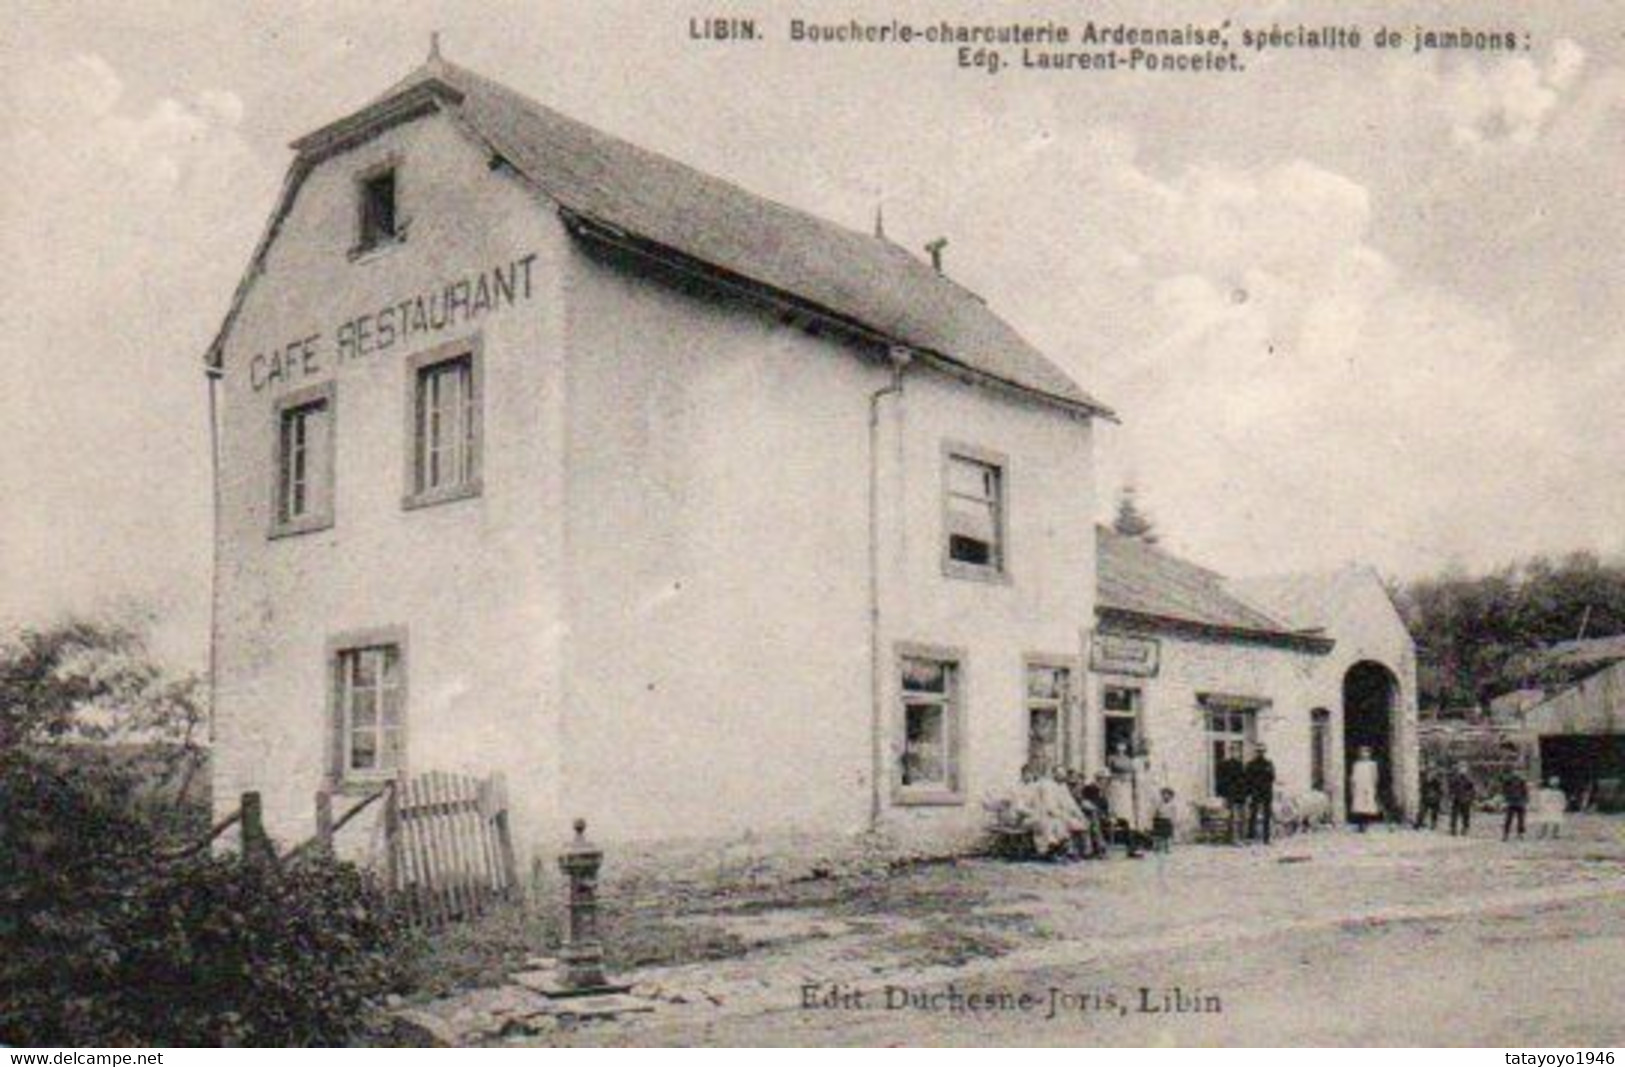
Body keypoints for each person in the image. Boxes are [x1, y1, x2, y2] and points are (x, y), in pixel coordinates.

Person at [1106, 740, 1143, 858]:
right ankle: (1109, 846)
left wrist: (1132, 787)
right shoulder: (1111, 758)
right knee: (1116, 816)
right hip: (1116, 787)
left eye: (1123, 745)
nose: (1121, 747)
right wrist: (1117, 778)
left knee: (1129, 819)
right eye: (1119, 745)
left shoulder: (1129, 760)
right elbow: (1109, 774)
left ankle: (1131, 848)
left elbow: (1133, 776)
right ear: (1116, 746)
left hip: (1126, 788)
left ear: (1126, 747)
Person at [1244, 745, 1277, 844]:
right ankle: (1251, 836)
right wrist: (1249, 793)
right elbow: (1247, 780)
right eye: (1258, 751)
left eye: (1262, 751)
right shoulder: (1250, 764)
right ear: (1256, 752)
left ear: (1264, 752)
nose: (1260, 753)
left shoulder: (1268, 763)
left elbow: (1272, 777)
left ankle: (1266, 838)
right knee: (1253, 814)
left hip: (1266, 792)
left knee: (1267, 815)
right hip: (1255, 792)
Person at [1216, 750, 1248, 845]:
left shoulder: (1241, 765)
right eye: (1234, 751)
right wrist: (1223, 795)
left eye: (1238, 751)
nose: (1236, 753)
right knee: (1233, 817)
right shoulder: (1225, 765)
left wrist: (1245, 793)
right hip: (1232, 795)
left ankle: (1241, 837)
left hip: (1241, 795)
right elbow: (1221, 781)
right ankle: (1234, 838)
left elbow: (1245, 780)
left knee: (1242, 817)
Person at [1350, 746, 1381, 832]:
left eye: (1366, 752)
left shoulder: (1372, 764)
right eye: (1362, 752)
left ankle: (1366, 824)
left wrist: (1373, 787)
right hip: (1359, 786)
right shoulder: (1357, 764)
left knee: (1368, 806)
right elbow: (1354, 777)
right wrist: (1353, 787)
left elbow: (1375, 777)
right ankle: (1360, 825)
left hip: (1368, 786)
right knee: (1359, 806)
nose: (1364, 754)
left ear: (1369, 754)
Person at [1501, 767, 1530, 841]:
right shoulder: (1508, 781)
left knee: (1520, 820)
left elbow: (1525, 791)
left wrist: (1526, 800)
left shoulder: (1522, 781)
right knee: (1509, 819)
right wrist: (1506, 799)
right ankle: (1506, 834)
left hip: (1519, 802)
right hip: (1512, 802)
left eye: (1518, 771)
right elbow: (1504, 790)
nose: (1517, 772)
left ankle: (1520, 834)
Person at [1448, 763, 1477, 836]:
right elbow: (1451, 788)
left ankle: (1465, 828)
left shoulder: (1468, 779)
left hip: (1465, 799)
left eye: (1464, 768)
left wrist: (1469, 797)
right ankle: (1453, 828)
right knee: (1454, 814)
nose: (1462, 770)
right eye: (1461, 768)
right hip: (1456, 798)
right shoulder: (1455, 778)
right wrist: (1452, 795)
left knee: (1465, 815)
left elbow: (1472, 790)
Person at [1415, 765, 1444, 831]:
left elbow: (1441, 791)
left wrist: (1437, 796)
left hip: (1434, 800)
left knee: (1434, 813)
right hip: (1425, 799)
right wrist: (1423, 794)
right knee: (1422, 811)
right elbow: (1421, 789)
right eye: (1429, 773)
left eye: (1432, 773)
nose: (1430, 775)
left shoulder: (1437, 781)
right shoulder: (1424, 781)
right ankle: (1418, 824)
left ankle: (1433, 824)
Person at [1151, 787, 1178, 853]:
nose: (1166, 796)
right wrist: (1155, 817)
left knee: (1167, 836)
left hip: (1167, 820)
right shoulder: (1160, 803)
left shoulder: (1172, 805)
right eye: (1164, 794)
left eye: (1168, 794)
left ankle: (1168, 848)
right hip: (1159, 820)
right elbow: (1156, 811)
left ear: (1171, 796)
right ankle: (1156, 847)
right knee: (1157, 835)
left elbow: (1174, 814)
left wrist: (1173, 822)